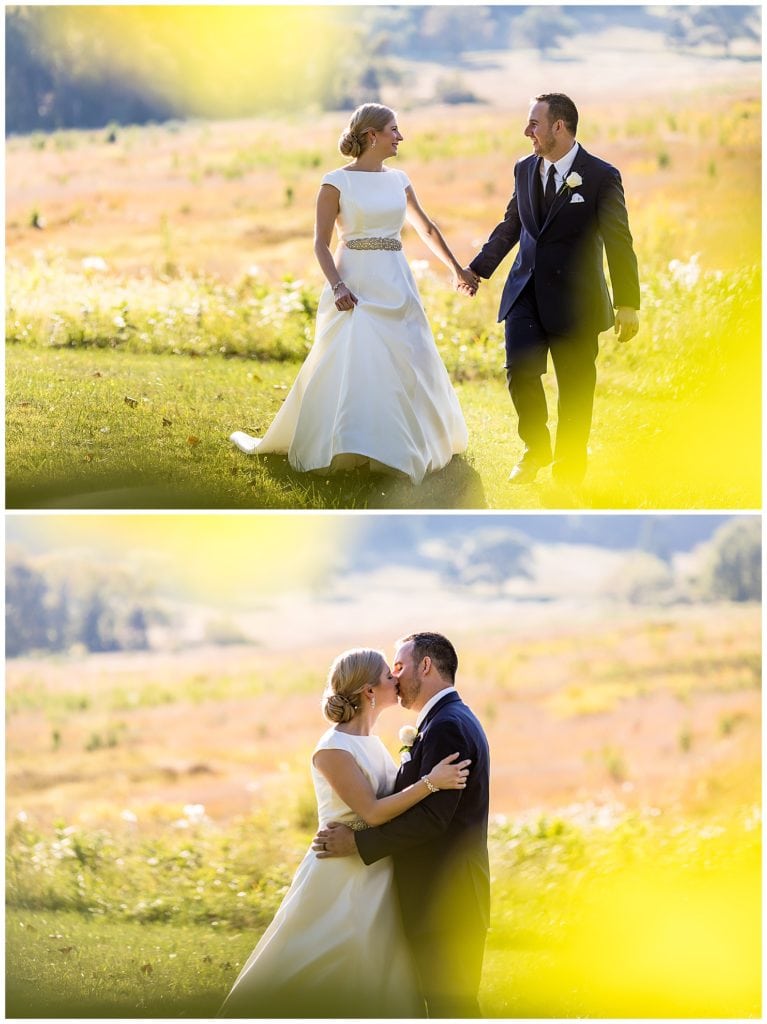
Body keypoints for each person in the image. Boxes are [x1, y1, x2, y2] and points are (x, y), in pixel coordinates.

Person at [230, 103, 476, 484]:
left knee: (408, 359)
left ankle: (406, 445)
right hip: (354, 284)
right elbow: (320, 244)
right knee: (354, 361)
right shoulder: (335, 182)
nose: (400, 137)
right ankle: (350, 444)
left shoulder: (399, 180)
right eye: (394, 129)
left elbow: (426, 228)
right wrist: (337, 285)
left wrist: (457, 268)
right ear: (371, 135)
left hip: (395, 280)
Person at [218, 647, 471, 1018]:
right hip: (342, 873)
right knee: (323, 965)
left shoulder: (371, 741)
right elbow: (372, 810)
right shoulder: (333, 749)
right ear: (370, 691)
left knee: (377, 969)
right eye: (390, 675)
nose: (397, 680)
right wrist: (430, 784)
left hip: (376, 869)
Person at [464, 92, 640, 487]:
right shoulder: (524, 168)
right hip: (525, 291)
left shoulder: (600, 175)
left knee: (576, 389)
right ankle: (535, 447)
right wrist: (478, 268)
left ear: (558, 127)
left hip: (577, 301)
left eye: (534, 124)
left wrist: (628, 302)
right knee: (519, 372)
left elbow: (618, 240)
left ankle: (570, 464)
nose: (527, 131)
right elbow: (513, 224)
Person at [314, 632, 490, 1018]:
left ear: (424, 666)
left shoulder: (446, 726)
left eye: (400, 665)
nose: (394, 676)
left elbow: (432, 820)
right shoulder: (445, 720)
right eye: (389, 670)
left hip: (446, 898)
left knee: (453, 1008)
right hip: (435, 896)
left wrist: (358, 845)